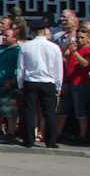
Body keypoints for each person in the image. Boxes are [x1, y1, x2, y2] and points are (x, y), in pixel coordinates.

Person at [18, 21, 64, 149]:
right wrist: (58, 86)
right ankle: (50, 141)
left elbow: (21, 68)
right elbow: (58, 69)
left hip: (30, 81)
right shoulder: (54, 47)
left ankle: (28, 140)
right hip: (48, 82)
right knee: (49, 113)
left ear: (32, 32)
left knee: (29, 112)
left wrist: (20, 84)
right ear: (45, 32)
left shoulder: (26, 46)